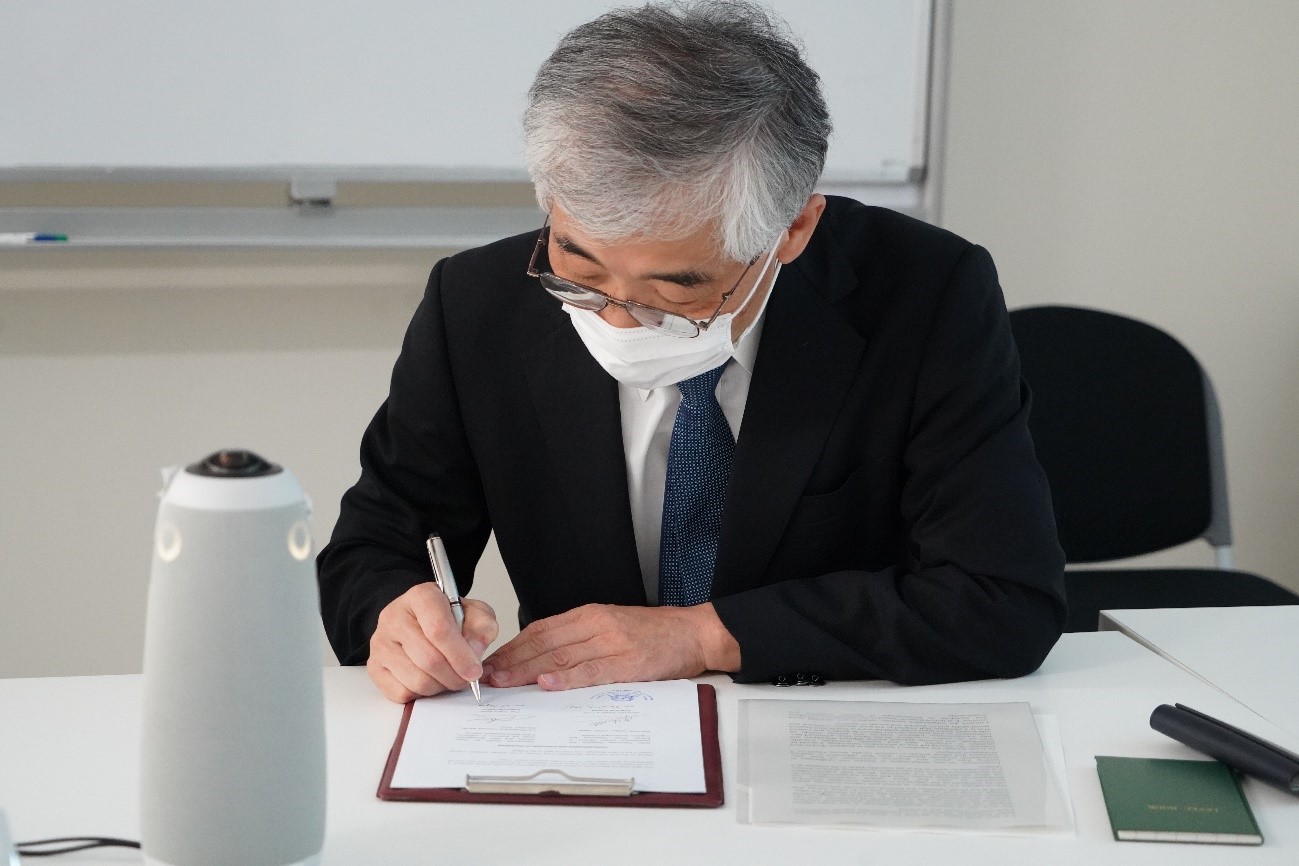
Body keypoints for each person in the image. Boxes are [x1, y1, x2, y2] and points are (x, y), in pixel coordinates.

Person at [317, 0, 1066, 704]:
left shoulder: (924, 294)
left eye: (672, 291)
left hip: (820, 724)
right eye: (578, 267)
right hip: (579, 734)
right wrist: (396, 619)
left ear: (793, 231)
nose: (618, 319)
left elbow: (1001, 599)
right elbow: (373, 547)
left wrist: (704, 634)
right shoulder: (478, 303)